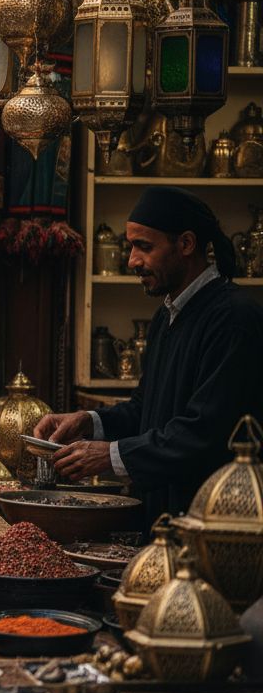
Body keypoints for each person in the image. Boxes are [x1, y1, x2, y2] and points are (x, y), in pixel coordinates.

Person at [37, 186, 263, 527]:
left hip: (214, 526)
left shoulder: (233, 318)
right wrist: (88, 422)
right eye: (131, 246)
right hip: (163, 520)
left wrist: (111, 455)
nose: (132, 261)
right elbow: (146, 409)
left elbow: (205, 432)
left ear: (186, 244)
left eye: (144, 247)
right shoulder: (166, 316)